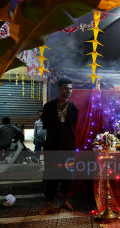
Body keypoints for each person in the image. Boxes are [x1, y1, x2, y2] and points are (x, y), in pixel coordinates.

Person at [40, 78, 79, 215]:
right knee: (51, 175)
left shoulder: (74, 108)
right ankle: (48, 204)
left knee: (67, 175)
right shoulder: (49, 107)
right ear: (59, 89)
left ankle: (65, 200)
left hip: (68, 146)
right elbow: (46, 126)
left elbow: (72, 127)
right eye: (66, 88)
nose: (69, 91)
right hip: (52, 146)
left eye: (71, 89)